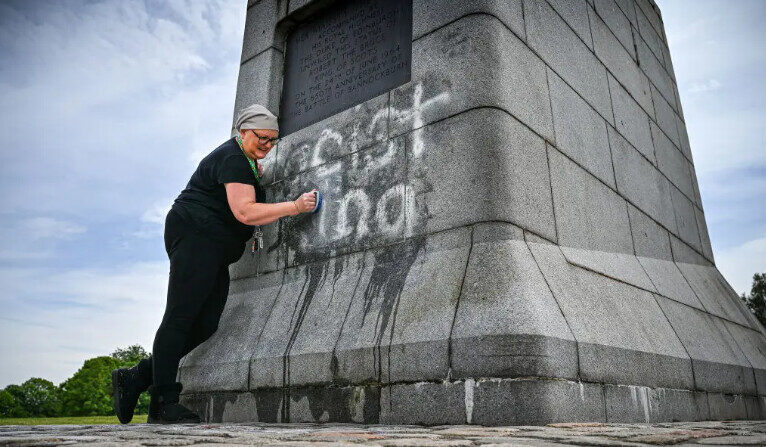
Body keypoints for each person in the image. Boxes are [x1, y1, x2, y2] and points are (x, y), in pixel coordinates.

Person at [111, 104, 317, 424]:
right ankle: (163, 404)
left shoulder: (243, 159)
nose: (267, 145)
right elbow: (245, 212)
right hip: (196, 234)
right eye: (262, 138)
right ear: (242, 132)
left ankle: (137, 377)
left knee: (205, 323)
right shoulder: (233, 158)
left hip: (214, 244)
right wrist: (295, 206)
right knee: (180, 317)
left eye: (273, 140)